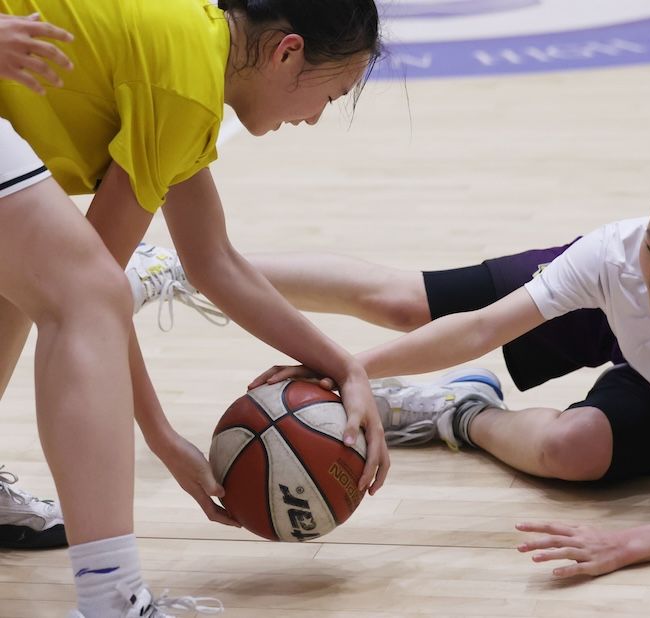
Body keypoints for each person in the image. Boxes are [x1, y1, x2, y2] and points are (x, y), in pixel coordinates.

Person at [144, 113, 650, 578]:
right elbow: (482, 327)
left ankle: (458, 412)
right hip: (616, 319)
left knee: (572, 452)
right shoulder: (617, 259)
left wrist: (624, 547)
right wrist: (347, 370)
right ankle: (175, 268)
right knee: (404, 302)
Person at [0, 0, 386, 615]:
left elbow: (215, 262)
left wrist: (346, 366)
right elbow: (100, 289)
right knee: (76, 291)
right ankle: (111, 600)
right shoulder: (184, 85)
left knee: (31, 276)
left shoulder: (191, 57)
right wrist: (160, 435)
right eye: (330, 96)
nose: (314, 119)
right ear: (287, 53)